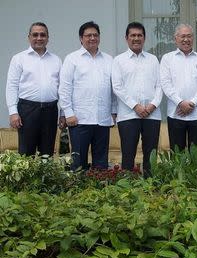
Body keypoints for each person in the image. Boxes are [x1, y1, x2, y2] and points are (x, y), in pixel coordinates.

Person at [59, 21, 116, 170]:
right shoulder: (72, 59)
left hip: (102, 120)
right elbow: (64, 88)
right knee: (78, 163)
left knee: (101, 163)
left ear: (99, 37)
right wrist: (68, 113)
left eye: (95, 35)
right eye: (88, 35)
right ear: (81, 38)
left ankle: (99, 192)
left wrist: (114, 112)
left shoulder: (109, 60)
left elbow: (114, 89)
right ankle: (78, 192)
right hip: (79, 120)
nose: (92, 38)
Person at [112, 22, 162, 177]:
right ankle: (128, 189)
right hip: (128, 115)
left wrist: (152, 105)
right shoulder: (119, 60)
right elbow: (117, 87)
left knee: (150, 156)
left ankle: (150, 188)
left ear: (144, 38)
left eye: (139, 35)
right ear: (126, 38)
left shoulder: (153, 59)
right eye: (132, 35)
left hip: (152, 115)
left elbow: (160, 85)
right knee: (128, 156)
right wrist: (136, 106)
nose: (136, 38)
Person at [5, 22, 61, 156]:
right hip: (27, 110)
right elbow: (11, 85)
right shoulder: (19, 59)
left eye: (43, 35)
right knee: (26, 153)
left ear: (48, 38)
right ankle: (27, 178)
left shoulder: (56, 60)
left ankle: (45, 178)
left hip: (50, 110)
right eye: (35, 35)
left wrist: (63, 113)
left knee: (47, 154)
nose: (39, 38)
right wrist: (13, 112)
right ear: (29, 37)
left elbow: (61, 88)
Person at [160, 24, 197, 152]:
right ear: (175, 38)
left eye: (189, 36)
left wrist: (192, 103)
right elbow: (165, 83)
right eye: (182, 36)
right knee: (177, 156)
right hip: (175, 114)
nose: (186, 39)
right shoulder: (167, 59)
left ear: (193, 38)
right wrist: (180, 103)